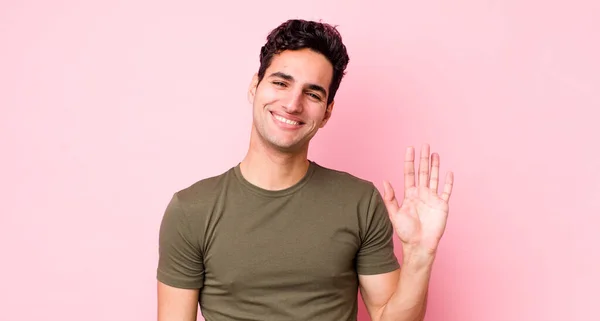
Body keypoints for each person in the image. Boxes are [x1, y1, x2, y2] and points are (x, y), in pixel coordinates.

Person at [156, 19, 454, 321]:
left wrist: (420, 254)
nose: (293, 103)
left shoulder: (359, 201)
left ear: (327, 112)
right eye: (281, 83)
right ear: (254, 86)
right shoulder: (191, 210)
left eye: (312, 94)